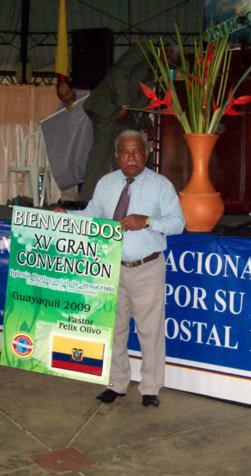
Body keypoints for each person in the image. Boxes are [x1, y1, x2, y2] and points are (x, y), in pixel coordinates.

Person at [55, 129, 185, 407]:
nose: (131, 157)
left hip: (147, 267)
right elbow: (92, 215)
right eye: (125, 152)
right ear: (116, 156)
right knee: (114, 329)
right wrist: (68, 216)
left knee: (150, 331)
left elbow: (178, 223)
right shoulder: (106, 183)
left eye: (137, 151)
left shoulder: (161, 185)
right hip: (110, 266)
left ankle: (150, 388)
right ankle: (116, 383)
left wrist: (147, 221)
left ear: (146, 154)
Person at [80, 45, 154, 202]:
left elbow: (143, 95)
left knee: (121, 158)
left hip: (125, 115)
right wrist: (124, 105)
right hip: (109, 108)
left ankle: (117, 200)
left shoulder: (154, 65)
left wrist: (145, 121)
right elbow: (121, 73)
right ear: (168, 51)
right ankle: (88, 201)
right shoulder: (143, 49)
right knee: (101, 155)